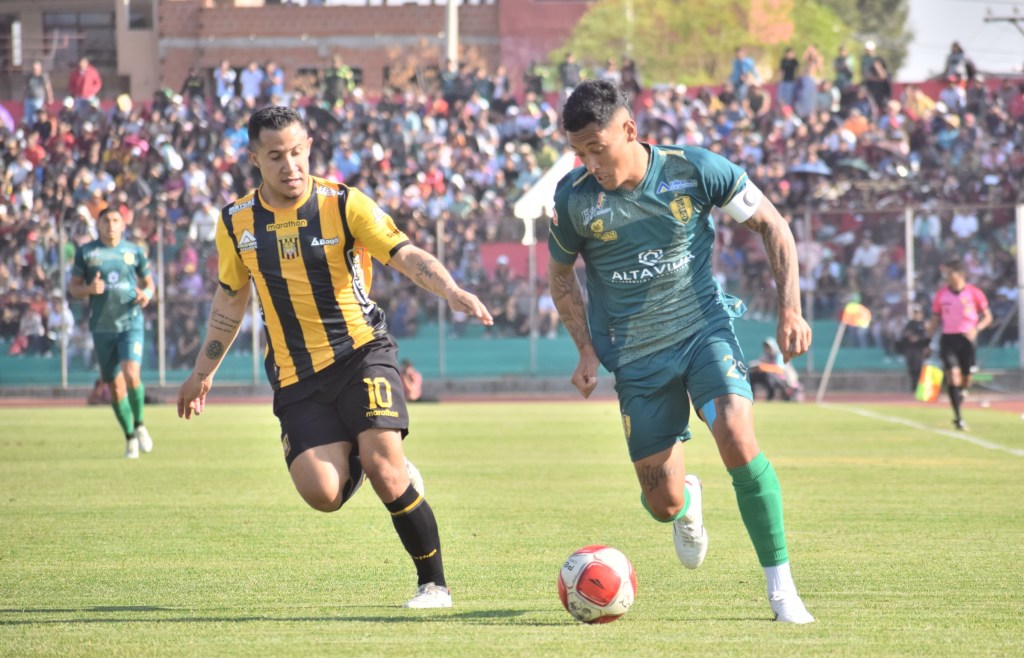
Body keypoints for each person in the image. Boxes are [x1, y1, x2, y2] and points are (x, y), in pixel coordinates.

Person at [175, 106, 492, 609]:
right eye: (275, 156)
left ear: (309, 146)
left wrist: (449, 289)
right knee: (323, 494)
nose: (290, 165)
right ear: (254, 158)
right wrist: (202, 372)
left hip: (362, 353)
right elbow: (230, 298)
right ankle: (365, 455)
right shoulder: (236, 222)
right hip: (296, 376)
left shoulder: (344, 204)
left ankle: (434, 584)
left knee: (388, 471)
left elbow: (404, 253)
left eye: (297, 151)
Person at [548, 80, 815, 623]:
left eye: (597, 148)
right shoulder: (575, 199)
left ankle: (782, 591)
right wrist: (584, 350)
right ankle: (687, 502)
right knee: (661, 504)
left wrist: (791, 308)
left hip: (702, 333)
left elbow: (774, 226)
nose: (590, 162)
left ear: (629, 129)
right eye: (580, 152)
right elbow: (560, 277)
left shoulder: (693, 169)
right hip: (637, 361)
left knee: (738, 437)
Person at [69, 208, 156, 459]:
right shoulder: (86, 253)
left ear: (122, 224)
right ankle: (129, 436)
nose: (111, 224)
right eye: (106, 220)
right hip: (102, 328)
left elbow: (149, 282)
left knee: (131, 374)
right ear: (98, 224)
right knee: (116, 389)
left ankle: (139, 423)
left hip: (131, 324)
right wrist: (88, 288)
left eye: (115, 220)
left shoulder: (134, 251)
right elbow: (74, 289)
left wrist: (146, 295)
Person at [929, 259, 992, 431]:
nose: (947, 277)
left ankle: (962, 392)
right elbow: (935, 320)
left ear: (960, 274)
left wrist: (976, 329)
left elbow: (987, 317)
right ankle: (958, 417)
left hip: (967, 340)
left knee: (966, 378)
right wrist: (928, 341)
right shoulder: (941, 295)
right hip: (948, 339)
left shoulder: (974, 293)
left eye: (950, 273)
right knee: (953, 375)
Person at [896, 304, 930, 393]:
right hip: (910, 349)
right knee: (912, 368)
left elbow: (928, 337)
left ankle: (919, 386)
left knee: (918, 368)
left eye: (918, 313)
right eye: (916, 313)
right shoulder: (910, 323)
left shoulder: (924, 324)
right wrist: (909, 336)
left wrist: (919, 338)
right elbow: (904, 334)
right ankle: (914, 386)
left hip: (919, 349)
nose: (917, 315)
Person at [22, 60, 54, 126]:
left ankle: (38, 129)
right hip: (29, 98)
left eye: (36, 69)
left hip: (38, 99)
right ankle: (31, 129)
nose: (34, 71)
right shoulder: (29, 76)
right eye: (33, 69)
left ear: (40, 69)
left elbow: (48, 87)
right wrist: (23, 98)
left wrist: (50, 97)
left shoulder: (43, 76)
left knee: (37, 116)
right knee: (28, 116)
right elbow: (25, 87)